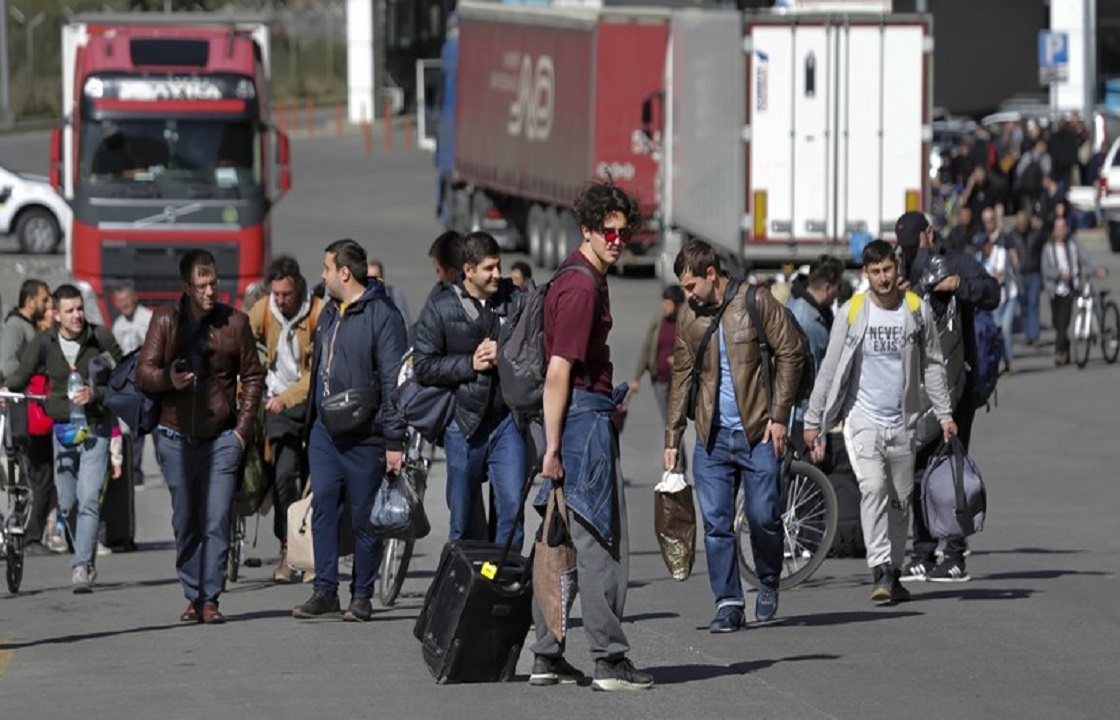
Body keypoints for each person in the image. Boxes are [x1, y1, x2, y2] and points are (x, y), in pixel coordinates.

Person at [528, 183, 652, 692]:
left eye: (625, 232)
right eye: (609, 231)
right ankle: (608, 660)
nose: (618, 240)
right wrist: (554, 451)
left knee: (557, 539)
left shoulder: (576, 275)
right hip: (580, 422)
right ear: (587, 229)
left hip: (573, 419)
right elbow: (559, 372)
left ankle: (546, 656)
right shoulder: (581, 287)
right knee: (600, 541)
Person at [804, 240, 957, 603]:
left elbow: (934, 364)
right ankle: (881, 568)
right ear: (866, 274)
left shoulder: (916, 310)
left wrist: (946, 414)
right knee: (873, 486)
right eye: (875, 272)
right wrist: (814, 419)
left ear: (897, 269)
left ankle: (895, 570)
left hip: (904, 422)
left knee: (901, 500)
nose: (883, 278)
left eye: (888, 270)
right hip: (863, 420)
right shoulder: (854, 312)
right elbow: (829, 368)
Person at [664, 239, 804, 633]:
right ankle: (728, 602)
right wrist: (672, 438)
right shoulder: (689, 318)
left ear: (712, 275)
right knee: (717, 524)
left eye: (692, 286)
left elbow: (791, 352)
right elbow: (680, 377)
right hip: (712, 437)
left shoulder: (756, 302)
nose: (687, 296)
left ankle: (768, 579)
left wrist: (779, 417)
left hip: (759, 433)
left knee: (763, 517)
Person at [137, 250, 265, 623]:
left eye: (214, 284)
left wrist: (242, 430)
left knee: (217, 518)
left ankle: (210, 599)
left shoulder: (235, 323)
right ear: (186, 288)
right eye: (202, 286)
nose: (210, 292)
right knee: (187, 520)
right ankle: (192, 594)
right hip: (174, 438)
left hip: (223, 438)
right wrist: (168, 380)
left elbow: (253, 377)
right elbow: (144, 371)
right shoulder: (165, 321)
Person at [293, 239, 407, 622]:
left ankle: (361, 594)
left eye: (326, 268)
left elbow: (395, 382)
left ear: (344, 272)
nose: (322, 275)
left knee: (364, 517)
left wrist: (394, 439)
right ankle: (325, 589)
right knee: (324, 503)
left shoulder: (383, 315)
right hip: (326, 430)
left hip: (366, 433)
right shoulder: (328, 312)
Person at [894, 211, 1000, 583]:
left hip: (959, 384)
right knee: (920, 469)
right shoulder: (901, 266)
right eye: (904, 247)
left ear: (929, 234)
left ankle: (955, 554)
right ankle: (923, 551)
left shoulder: (957, 262)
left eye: (914, 244)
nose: (910, 252)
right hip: (916, 389)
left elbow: (993, 293)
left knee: (950, 469)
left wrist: (958, 284)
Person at [2, 284, 122, 591]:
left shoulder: (100, 337)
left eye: (80, 308)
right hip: (64, 430)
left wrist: (95, 393)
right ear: (56, 314)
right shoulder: (45, 342)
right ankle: (82, 549)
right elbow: (20, 376)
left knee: (89, 499)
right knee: (68, 503)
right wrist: (4, 390)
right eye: (70, 311)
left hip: (96, 426)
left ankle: (82, 566)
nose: (77, 315)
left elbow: (126, 377)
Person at [413, 231, 525, 549]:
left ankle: (502, 582)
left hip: (506, 423)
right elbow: (423, 366)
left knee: (513, 511)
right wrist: (469, 364)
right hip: (463, 425)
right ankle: (464, 588)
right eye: (488, 268)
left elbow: (536, 341)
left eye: (498, 266)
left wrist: (502, 348)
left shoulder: (514, 300)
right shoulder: (440, 307)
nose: (497, 275)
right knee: (462, 522)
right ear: (468, 271)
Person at [248, 255, 323, 583]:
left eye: (286, 294)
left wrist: (288, 397)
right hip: (276, 406)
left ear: (299, 287)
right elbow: (244, 346)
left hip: (310, 404)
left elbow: (319, 370)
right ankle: (285, 549)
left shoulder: (319, 311)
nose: (280, 300)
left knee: (314, 480)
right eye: (276, 293)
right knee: (283, 477)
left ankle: (310, 554)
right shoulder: (263, 311)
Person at [0, 279, 55, 556]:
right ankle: (30, 537)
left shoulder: (31, 328)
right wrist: (33, 367)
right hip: (23, 413)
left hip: (36, 410)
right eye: (44, 300)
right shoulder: (15, 327)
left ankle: (30, 535)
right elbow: (7, 365)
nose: (47, 306)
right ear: (30, 300)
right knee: (35, 474)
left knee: (40, 474)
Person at [630, 285, 686, 472]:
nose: (664, 306)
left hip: (680, 383)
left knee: (675, 423)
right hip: (660, 381)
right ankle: (672, 465)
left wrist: (679, 360)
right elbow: (647, 349)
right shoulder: (658, 322)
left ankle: (677, 466)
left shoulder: (686, 323)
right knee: (668, 423)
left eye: (668, 303)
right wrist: (636, 378)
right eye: (664, 302)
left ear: (678, 305)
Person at [1043, 216, 1105, 367]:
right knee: (1057, 323)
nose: (1061, 231)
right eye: (1058, 228)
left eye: (1063, 227)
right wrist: (1059, 274)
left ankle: (1059, 352)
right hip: (1055, 289)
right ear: (1053, 230)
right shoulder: (1048, 248)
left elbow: (1086, 256)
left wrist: (1097, 267)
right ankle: (1065, 349)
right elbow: (1046, 270)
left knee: (1063, 323)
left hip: (1070, 288)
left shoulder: (1072, 244)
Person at [110, 283, 153, 485]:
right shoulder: (118, 325)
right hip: (132, 384)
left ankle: (169, 470)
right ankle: (134, 473)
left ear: (134, 297)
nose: (124, 304)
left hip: (151, 381)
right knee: (134, 429)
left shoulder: (149, 318)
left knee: (158, 428)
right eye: (120, 301)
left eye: (126, 299)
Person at [975, 232, 1017, 373]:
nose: (982, 250)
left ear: (989, 244)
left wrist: (986, 281)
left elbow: (1000, 275)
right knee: (997, 330)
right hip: (994, 300)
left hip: (1009, 295)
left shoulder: (1001, 253)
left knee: (1005, 328)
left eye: (983, 246)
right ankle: (1000, 360)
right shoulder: (980, 258)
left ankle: (1009, 360)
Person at [367, 259, 413, 346]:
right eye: (368, 278)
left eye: (375, 278)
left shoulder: (394, 295)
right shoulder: (358, 298)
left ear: (382, 278)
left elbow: (406, 325)